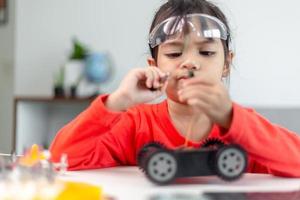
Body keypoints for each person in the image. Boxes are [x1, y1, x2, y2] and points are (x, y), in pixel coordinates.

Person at [50, 0, 300, 177]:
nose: (190, 62)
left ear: (226, 64)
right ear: (154, 66)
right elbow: (61, 158)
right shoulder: (134, 124)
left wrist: (230, 119)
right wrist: (118, 101)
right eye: (174, 52)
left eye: (206, 52)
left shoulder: (244, 129)